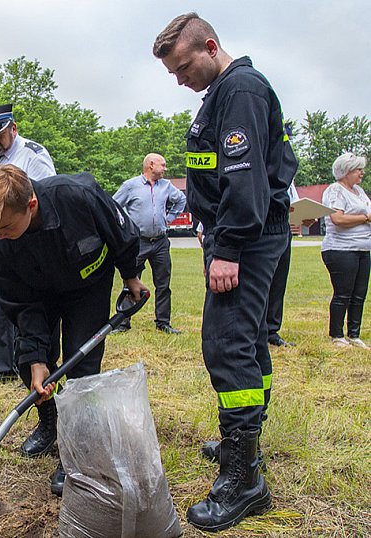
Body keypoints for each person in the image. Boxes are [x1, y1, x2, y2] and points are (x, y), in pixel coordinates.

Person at [153, 13, 298, 532]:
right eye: (172, 72)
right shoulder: (224, 91)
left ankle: (245, 477)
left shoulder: (240, 89)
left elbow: (244, 178)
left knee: (227, 343)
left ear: (210, 47)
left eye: (183, 66)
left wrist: (229, 247)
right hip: (240, 234)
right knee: (251, 339)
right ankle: (245, 442)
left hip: (248, 239)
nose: (179, 79)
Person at [0, 164, 148, 496]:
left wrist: (130, 275)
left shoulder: (77, 196)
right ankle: (51, 421)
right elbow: (19, 302)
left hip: (87, 287)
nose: (1, 235)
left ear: (32, 205)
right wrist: (37, 357)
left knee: (82, 369)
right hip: (36, 294)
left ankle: (76, 451)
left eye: (6, 227)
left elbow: (120, 232)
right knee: (27, 360)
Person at [0, 104, 58, 388]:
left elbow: (46, 197)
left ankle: (29, 364)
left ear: (13, 129)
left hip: (24, 238)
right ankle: (1, 364)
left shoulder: (33, 155)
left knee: (26, 300)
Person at [112, 153, 186, 334]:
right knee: (131, 281)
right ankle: (123, 322)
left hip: (160, 241)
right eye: (163, 165)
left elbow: (181, 200)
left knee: (163, 283)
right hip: (138, 242)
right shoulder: (130, 186)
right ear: (151, 165)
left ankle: (163, 322)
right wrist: (125, 227)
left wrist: (169, 218)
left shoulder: (167, 186)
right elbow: (113, 206)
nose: (165, 168)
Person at [320, 153, 371, 349]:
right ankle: (337, 334)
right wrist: (365, 218)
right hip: (341, 249)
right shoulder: (335, 190)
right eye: (358, 170)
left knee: (359, 293)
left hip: (362, 249)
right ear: (346, 171)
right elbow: (338, 219)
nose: (362, 173)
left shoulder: (359, 191)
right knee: (343, 293)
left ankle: (354, 334)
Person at [267, 182, 300, 347]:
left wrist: (302, 216)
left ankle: (271, 331)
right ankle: (256, 331)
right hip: (265, 225)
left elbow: (294, 202)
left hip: (284, 226)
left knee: (279, 282)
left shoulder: (289, 175)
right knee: (263, 282)